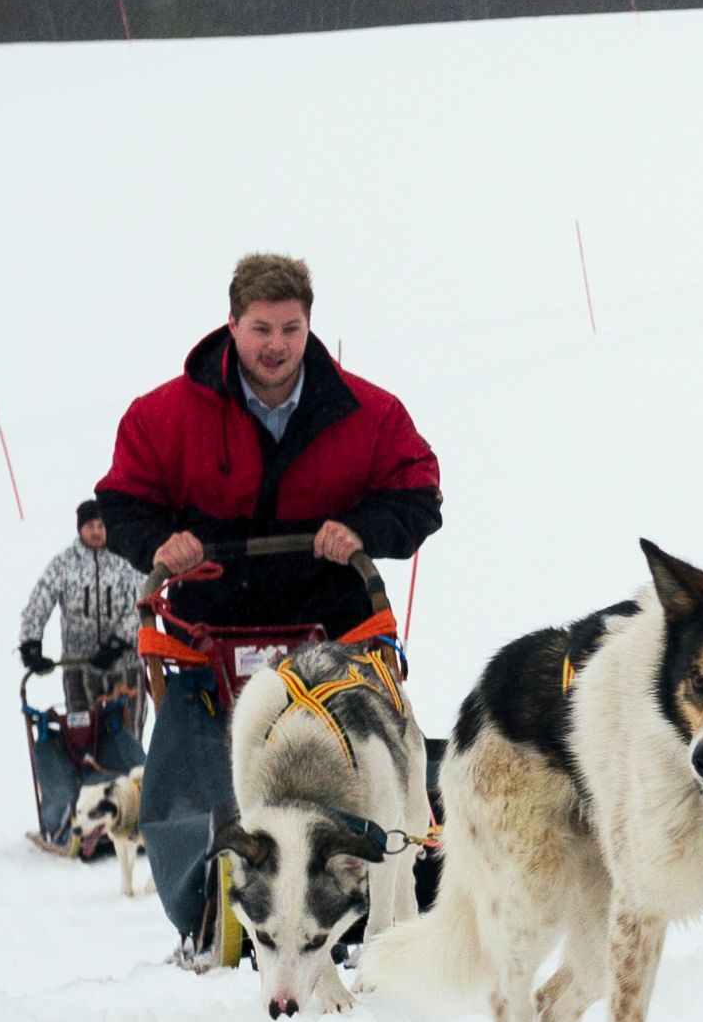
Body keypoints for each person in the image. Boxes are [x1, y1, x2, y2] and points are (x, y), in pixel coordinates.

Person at [96, 252, 446, 963]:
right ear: (232, 325)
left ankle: (384, 901)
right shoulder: (163, 415)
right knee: (190, 775)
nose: (276, 344)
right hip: (211, 623)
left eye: (290, 327)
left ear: (309, 325)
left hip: (335, 628)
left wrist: (365, 531)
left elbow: (418, 496)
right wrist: (166, 542)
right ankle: (207, 921)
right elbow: (123, 503)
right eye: (260, 328)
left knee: (381, 764)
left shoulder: (367, 413)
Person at [17, 498, 153, 850]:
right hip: (80, 669)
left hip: (123, 667)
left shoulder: (126, 561)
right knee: (82, 741)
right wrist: (31, 642)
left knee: (125, 738)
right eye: (89, 526)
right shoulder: (64, 565)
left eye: (101, 525)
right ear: (80, 529)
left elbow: (142, 601)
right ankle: (86, 817)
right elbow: (40, 599)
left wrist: (118, 641)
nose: (96, 532)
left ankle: (132, 814)